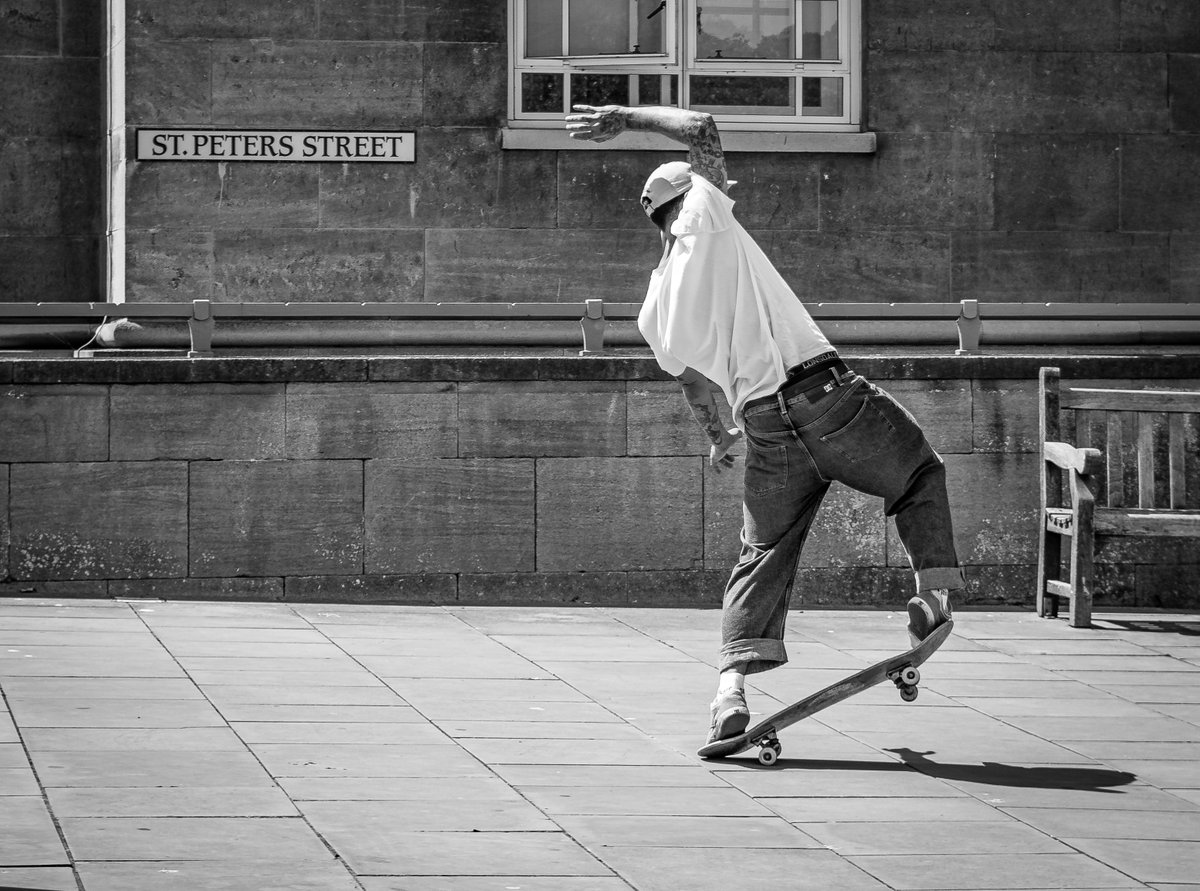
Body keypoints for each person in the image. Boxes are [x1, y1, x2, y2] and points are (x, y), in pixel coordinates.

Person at [565, 103, 964, 746]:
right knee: (918, 471)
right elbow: (700, 129)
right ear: (695, 194)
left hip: (761, 425)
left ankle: (730, 690)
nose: (732, 193)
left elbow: (694, 382)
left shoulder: (653, 307)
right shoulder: (707, 216)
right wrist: (624, 117)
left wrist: (719, 438)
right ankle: (933, 599)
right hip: (826, 398)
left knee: (763, 553)